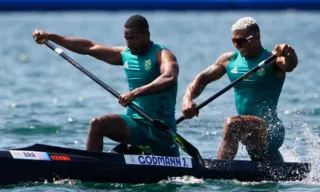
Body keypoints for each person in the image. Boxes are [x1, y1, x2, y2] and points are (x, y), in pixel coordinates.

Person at [33, 15, 180, 157]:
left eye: (134, 38)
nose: (130, 42)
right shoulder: (125, 54)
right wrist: (51, 36)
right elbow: (88, 47)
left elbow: (169, 77)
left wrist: (135, 93)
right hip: (135, 125)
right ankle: (88, 167)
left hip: (161, 129)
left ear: (147, 34)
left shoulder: (162, 54)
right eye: (126, 38)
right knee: (98, 124)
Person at [181, 17, 298, 162]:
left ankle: (219, 171)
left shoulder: (272, 60)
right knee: (268, 167)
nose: (237, 45)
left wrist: (289, 53)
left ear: (256, 37)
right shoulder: (229, 60)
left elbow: (290, 65)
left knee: (232, 124)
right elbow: (202, 79)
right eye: (234, 41)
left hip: (271, 130)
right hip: (249, 132)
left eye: (241, 41)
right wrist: (187, 99)